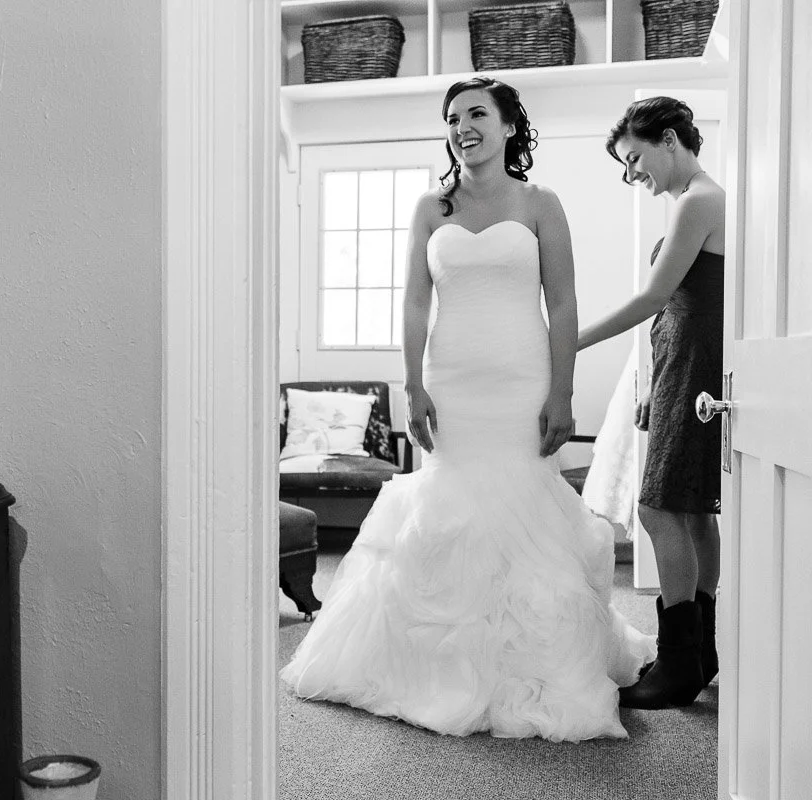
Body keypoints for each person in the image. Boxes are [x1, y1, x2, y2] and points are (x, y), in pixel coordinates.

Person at [280, 77, 654, 742]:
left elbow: (562, 302)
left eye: (477, 114)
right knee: (451, 510)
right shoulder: (432, 206)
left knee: (521, 506)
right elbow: (415, 302)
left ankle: (526, 660)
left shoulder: (541, 203)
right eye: (452, 118)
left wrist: (563, 390)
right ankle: (439, 665)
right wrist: (411, 385)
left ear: (510, 126)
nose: (462, 127)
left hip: (520, 382)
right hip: (449, 382)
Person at [577, 96, 725, 709]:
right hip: (681, 368)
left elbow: (653, 297)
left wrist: (570, 340)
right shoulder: (693, 201)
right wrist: (650, 381)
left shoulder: (700, 200)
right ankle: (701, 653)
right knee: (690, 512)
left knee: (661, 509)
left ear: (669, 139)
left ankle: (679, 663)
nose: (632, 175)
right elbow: (673, 311)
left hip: (696, 370)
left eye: (634, 159)